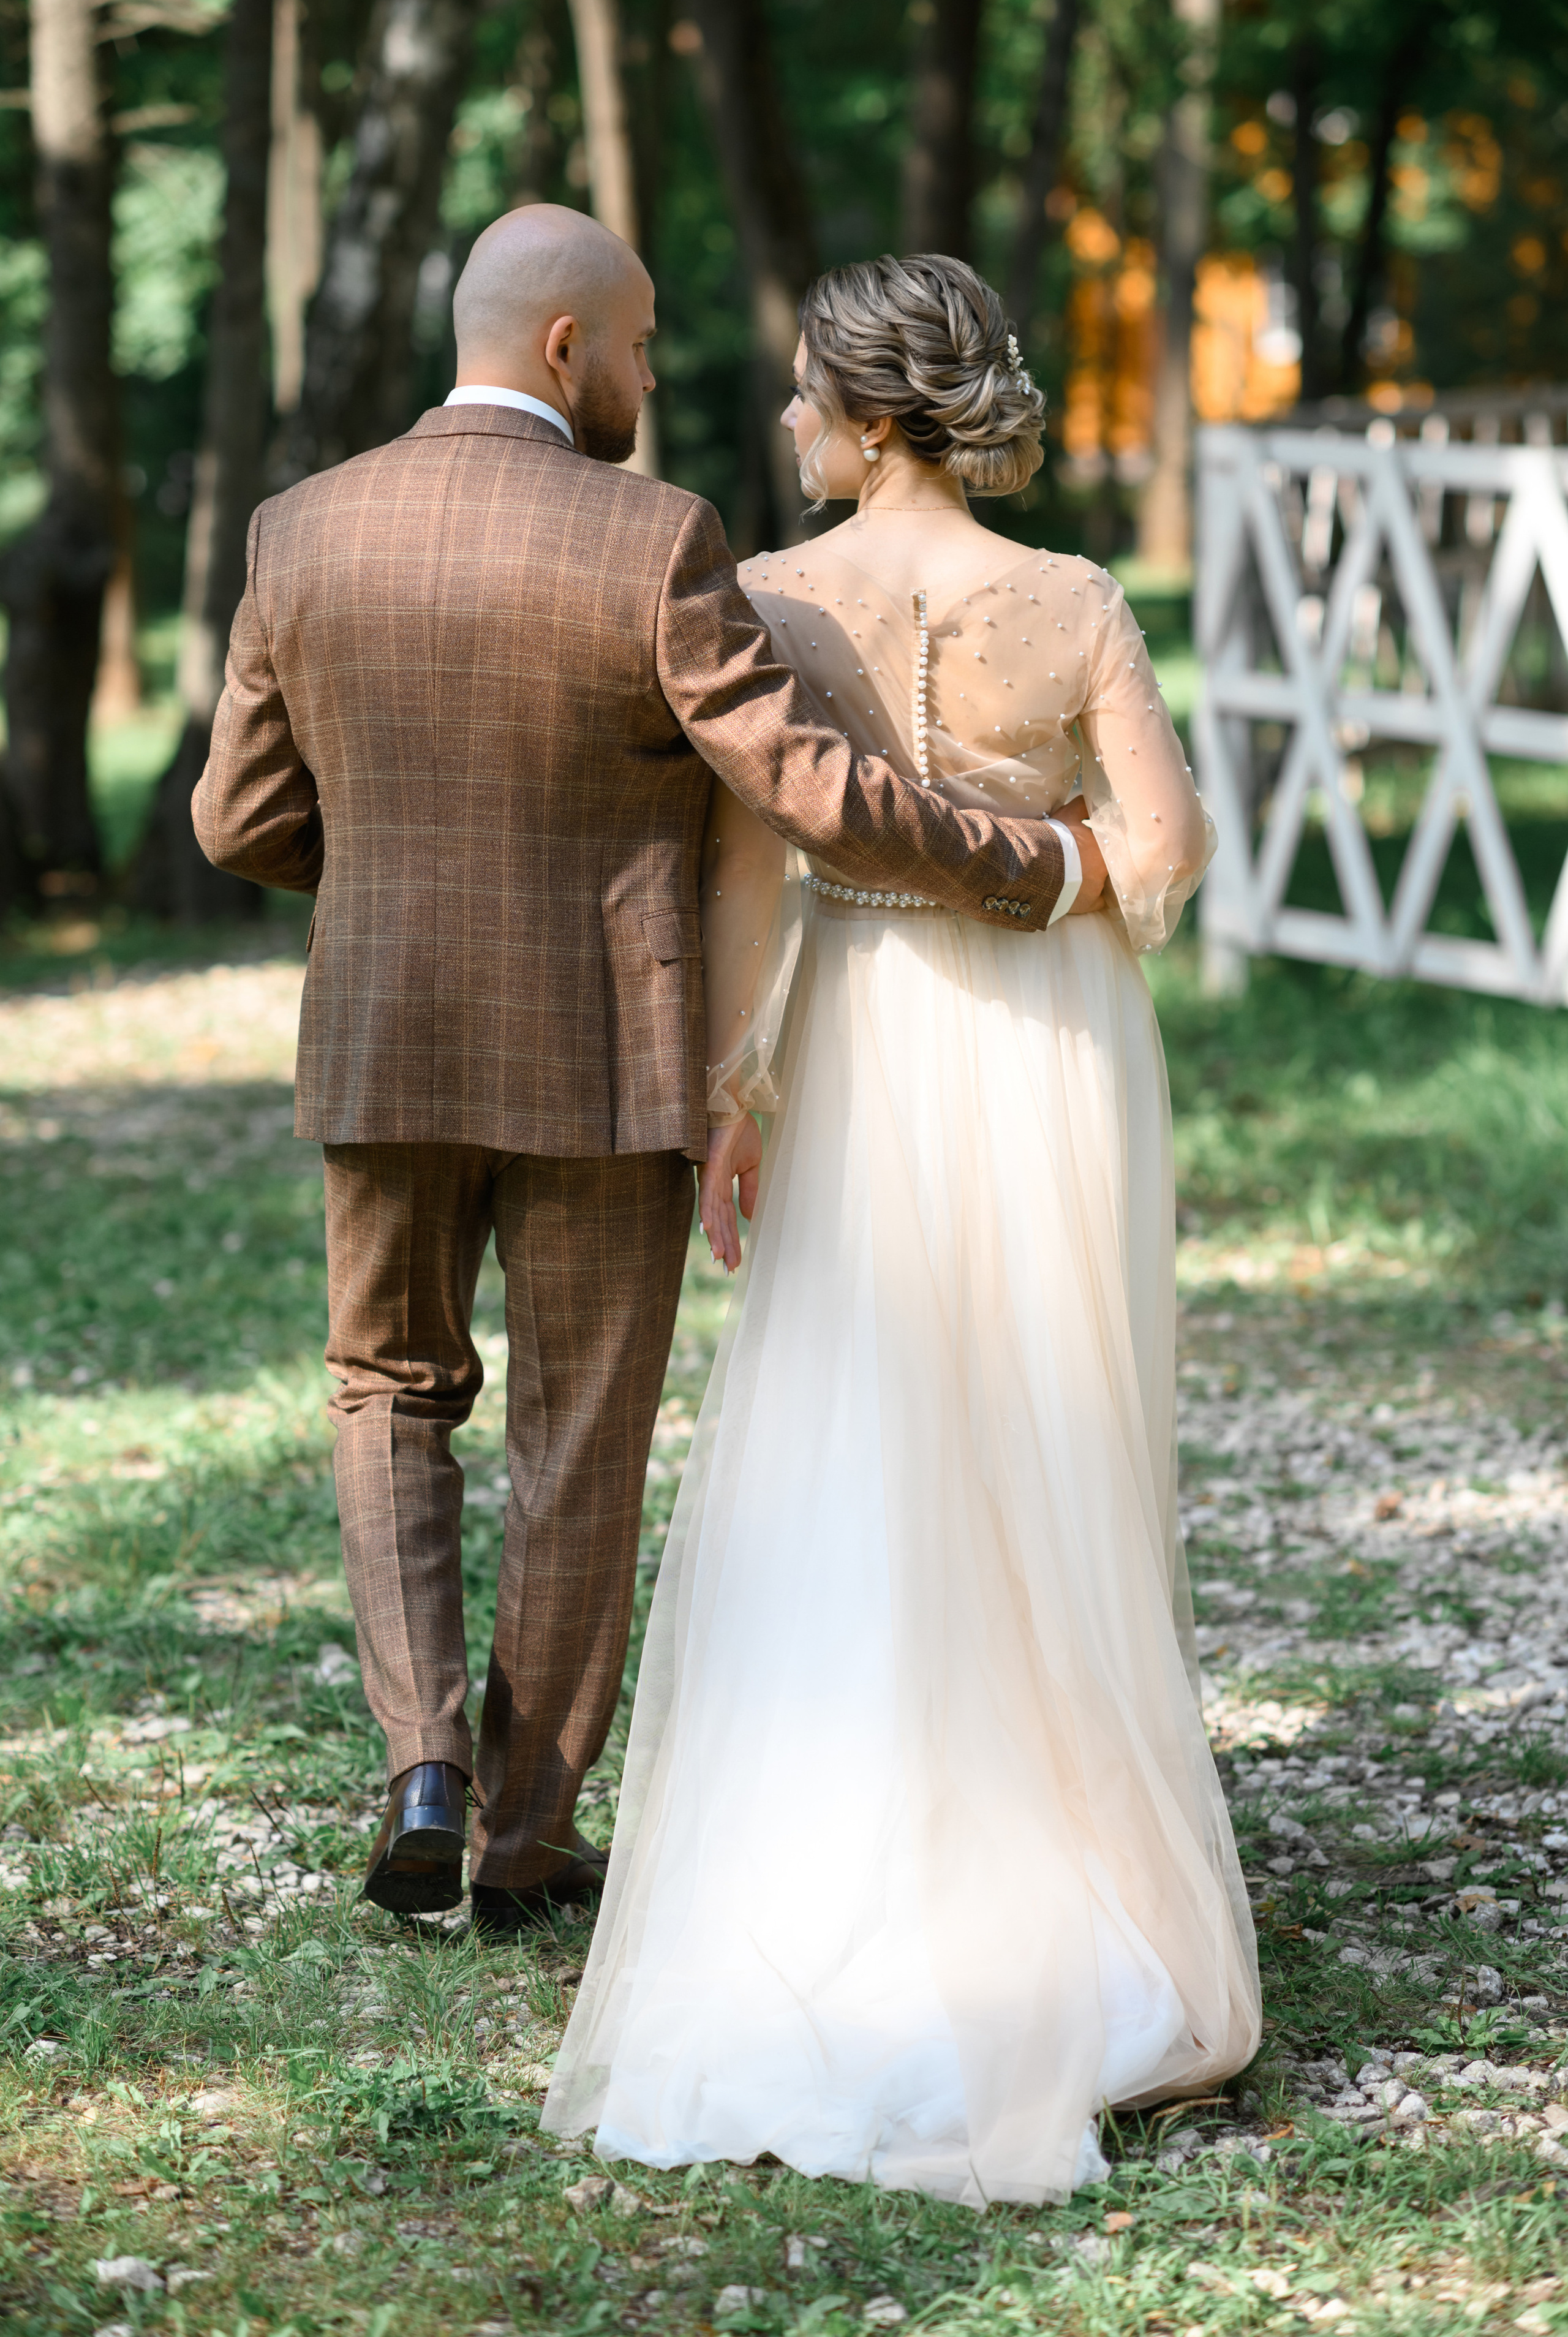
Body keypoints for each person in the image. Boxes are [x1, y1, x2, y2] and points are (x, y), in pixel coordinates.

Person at [192, 209, 1087, 1941]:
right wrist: (1023, 864)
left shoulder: (298, 530)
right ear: (561, 350)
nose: (658, 373)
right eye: (643, 340)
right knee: (581, 1434)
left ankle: (421, 1767)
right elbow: (807, 779)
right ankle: (526, 1841)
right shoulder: (652, 536)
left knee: (388, 1391)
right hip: (606, 1054)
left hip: (383, 1040)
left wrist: (388, 877)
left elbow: (237, 819)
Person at [543, 253, 1261, 2203]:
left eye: (799, 396)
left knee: (853, 1427)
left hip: (857, 1043)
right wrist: (1038, 877)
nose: (781, 424)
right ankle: (1078, 1894)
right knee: (1055, 1436)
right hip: (1048, 1042)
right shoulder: (1079, 602)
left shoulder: (770, 599)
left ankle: (846, 1881)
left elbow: (752, 873)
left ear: (868, 422)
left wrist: (729, 1098)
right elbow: (1170, 856)